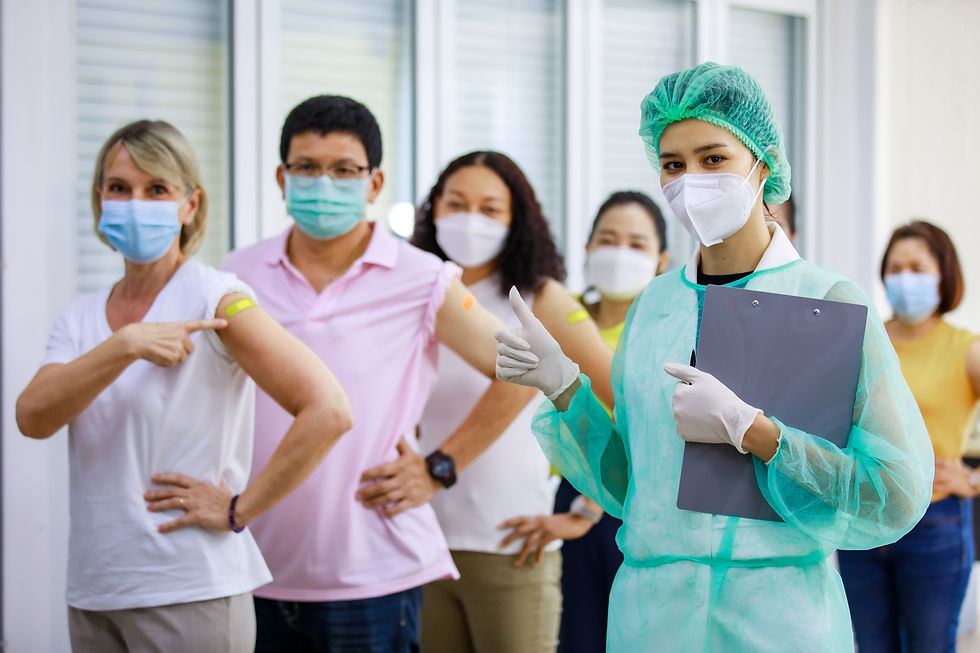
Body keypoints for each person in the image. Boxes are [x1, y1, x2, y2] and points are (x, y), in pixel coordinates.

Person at [493, 62, 934, 651]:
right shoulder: (656, 307)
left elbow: (892, 493)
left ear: (763, 164)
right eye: (672, 164)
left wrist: (753, 430)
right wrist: (565, 388)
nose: (690, 179)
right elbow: (633, 488)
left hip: (779, 620)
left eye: (713, 158)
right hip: (653, 618)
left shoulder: (825, 302)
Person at [221, 96, 587, 653]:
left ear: (373, 183)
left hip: (372, 572)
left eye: (344, 170)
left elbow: (528, 367)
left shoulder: (420, 278)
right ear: (281, 176)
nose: (324, 183)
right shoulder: (237, 274)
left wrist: (442, 466)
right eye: (307, 168)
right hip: (251, 557)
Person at [14, 120, 353, 653]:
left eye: (157, 189)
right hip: (95, 592)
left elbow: (328, 409)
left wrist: (241, 509)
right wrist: (126, 345)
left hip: (190, 591)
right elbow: (33, 417)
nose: (134, 202)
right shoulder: (79, 319)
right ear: (99, 200)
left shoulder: (218, 299)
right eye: (119, 188)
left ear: (189, 205)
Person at [410, 151, 615, 652]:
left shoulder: (540, 298)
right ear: (433, 208)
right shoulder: (415, 290)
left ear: (515, 219)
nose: (469, 219)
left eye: (489, 208)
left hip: (512, 548)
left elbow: (620, 396)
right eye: (456, 203)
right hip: (423, 544)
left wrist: (590, 508)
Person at [838, 220, 980, 652]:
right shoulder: (863, 338)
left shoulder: (966, 348)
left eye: (917, 267)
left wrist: (973, 481)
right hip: (864, 521)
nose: (904, 278)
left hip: (935, 526)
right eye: (895, 268)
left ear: (944, 275)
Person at [553, 190, 669, 653]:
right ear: (586, 248)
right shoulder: (561, 317)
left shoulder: (668, 328)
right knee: (577, 636)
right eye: (608, 239)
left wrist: (592, 505)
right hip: (565, 499)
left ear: (661, 260)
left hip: (639, 498)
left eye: (636, 244)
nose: (620, 253)